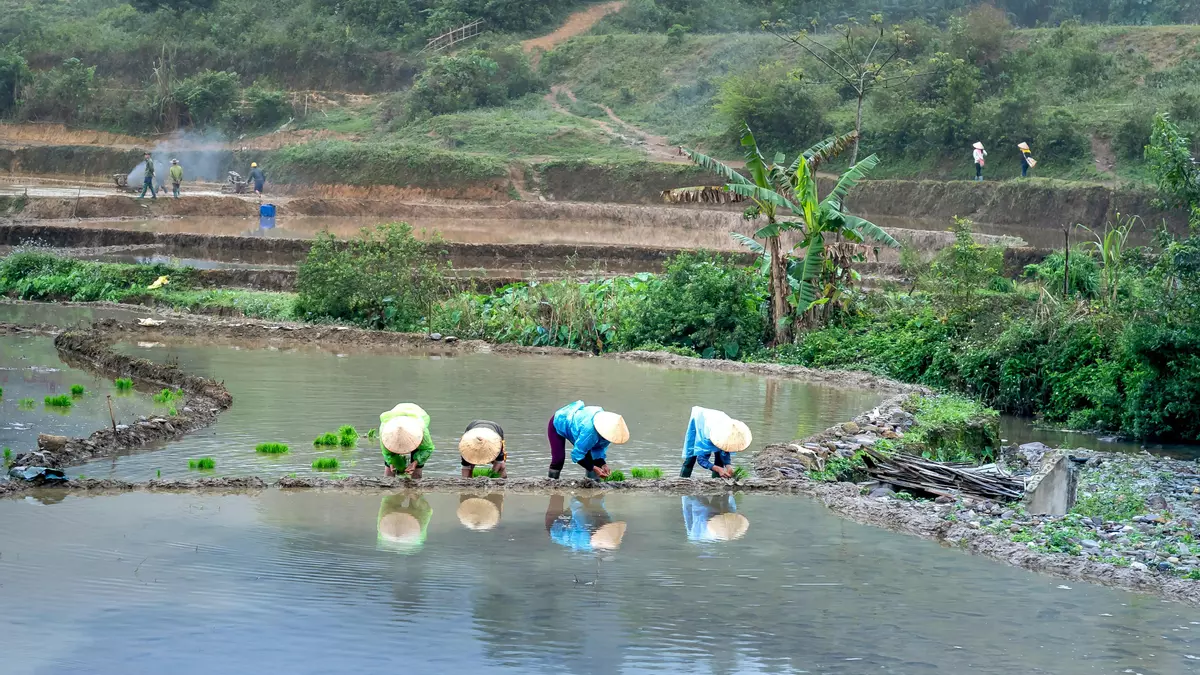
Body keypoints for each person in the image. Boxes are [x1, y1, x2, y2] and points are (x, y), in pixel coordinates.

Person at [547, 400, 629, 480]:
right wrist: (593, 467)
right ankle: (551, 485)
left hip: (579, 426)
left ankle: (591, 486)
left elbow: (598, 450)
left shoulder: (609, 434)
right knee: (558, 459)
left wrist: (603, 464)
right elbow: (576, 455)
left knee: (593, 461)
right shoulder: (590, 431)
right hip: (560, 421)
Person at [680, 406, 753, 479]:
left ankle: (716, 482)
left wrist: (728, 466)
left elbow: (725, 450)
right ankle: (683, 480)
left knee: (720, 459)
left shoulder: (731, 431)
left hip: (718, 420)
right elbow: (701, 460)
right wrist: (718, 469)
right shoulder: (707, 436)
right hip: (700, 421)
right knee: (691, 457)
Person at [545, 494, 627, 553]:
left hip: (555, 528)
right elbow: (598, 504)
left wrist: (578, 492)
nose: (607, 522)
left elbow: (576, 506)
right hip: (572, 525)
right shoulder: (607, 524)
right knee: (592, 495)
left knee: (557, 494)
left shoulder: (585, 530)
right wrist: (599, 491)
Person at [380, 402, 433, 479]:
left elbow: (427, 449)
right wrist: (391, 462)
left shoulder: (422, 430)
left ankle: (415, 488)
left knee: (416, 475)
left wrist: (415, 463)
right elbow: (387, 453)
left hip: (416, 417)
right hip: (393, 425)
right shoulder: (385, 431)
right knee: (389, 475)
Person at [682, 495, 750, 543]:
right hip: (710, 524)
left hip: (700, 527)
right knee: (723, 496)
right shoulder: (733, 515)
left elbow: (690, 503)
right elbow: (730, 499)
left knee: (694, 498)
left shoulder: (699, 526)